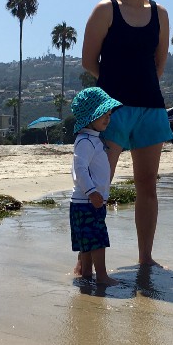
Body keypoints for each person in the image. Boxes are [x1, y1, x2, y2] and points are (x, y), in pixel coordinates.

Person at [81, 0, 172, 267]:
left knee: (148, 184)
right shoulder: (105, 10)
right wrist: (116, 85)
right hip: (111, 110)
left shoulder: (160, 14)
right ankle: (86, 260)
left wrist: (138, 85)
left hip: (150, 107)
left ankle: (146, 258)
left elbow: (158, 65)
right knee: (98, 185)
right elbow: (90, 61)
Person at [69, 87, 123, 285]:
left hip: (87, 201)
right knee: (97, 240)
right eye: (102, 115)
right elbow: (79, 169)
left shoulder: (92, 139)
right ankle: (101, 276)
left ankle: (86, 276)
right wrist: (92, 192)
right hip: (87, 201)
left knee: (88, 241)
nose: (107, 119)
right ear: (89, 116)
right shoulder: (85, 141)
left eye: (108, 114)